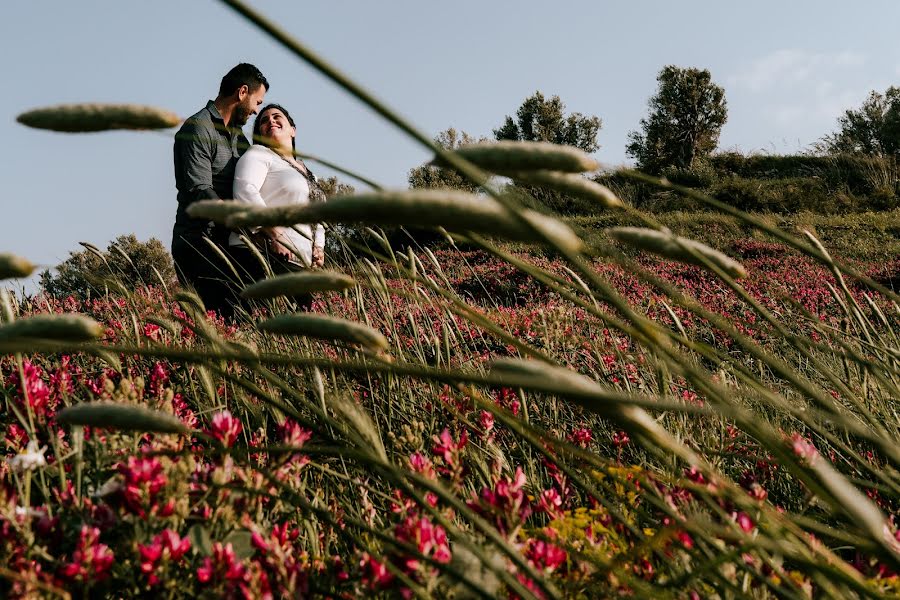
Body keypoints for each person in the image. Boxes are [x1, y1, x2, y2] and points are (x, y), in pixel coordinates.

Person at [171, 63, 269, 321]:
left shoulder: (240, 138)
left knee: (243, 320)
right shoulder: (197, 128)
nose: (256, 110)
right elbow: (199, 190)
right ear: (242, 92)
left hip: (231, 244)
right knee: (214, 322)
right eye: (257, 102)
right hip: (199, 243)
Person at [229, 103, 327, 308]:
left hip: (299, 263)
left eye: (276, 116)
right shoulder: (259, 154)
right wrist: (276, 235)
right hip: (265, 254)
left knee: (303, 330)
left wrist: (319, 246)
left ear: (293, 129)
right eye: (263, 121)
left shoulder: (310, 173)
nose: (270, 121)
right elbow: (245, 190)